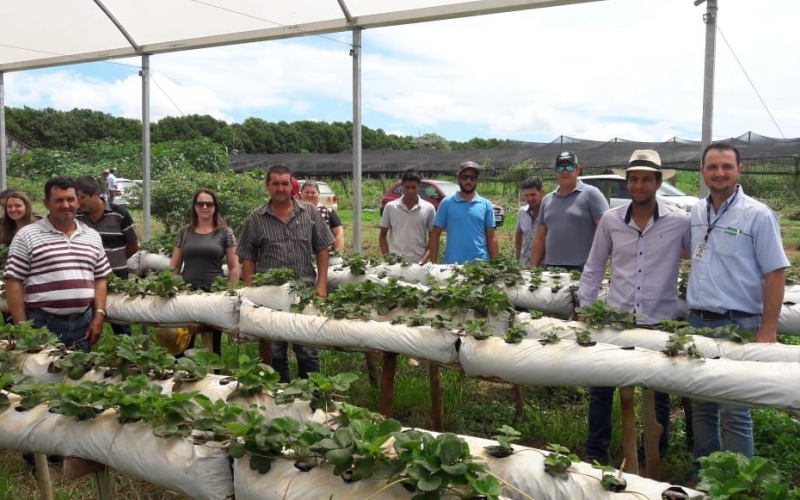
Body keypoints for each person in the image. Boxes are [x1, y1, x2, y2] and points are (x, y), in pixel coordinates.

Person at [579, 150, 691, 467]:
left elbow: (699, 257)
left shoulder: (679, 222)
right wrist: (586, 309)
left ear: (658, 183)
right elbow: (594, 266)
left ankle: (652, 455)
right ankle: (596, 452)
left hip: (659, 321)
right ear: (626, 183)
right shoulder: (612, 221)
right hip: (616, 319)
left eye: (646, 179)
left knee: (658, 392)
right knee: (602, 387)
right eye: (633, 179)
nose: (638, 185)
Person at [686, 142, 789, 470]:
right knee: (702, 406)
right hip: (698, 322)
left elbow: (775, 274)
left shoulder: (758, 214)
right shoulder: (696, 212)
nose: (720, 173)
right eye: (713, 167)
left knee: (735, 409)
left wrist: (768, 330)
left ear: (739, 170)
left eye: (727, 166)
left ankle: (738, 481)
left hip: (739, 324)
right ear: (702, 172)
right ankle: (707, 474)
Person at [237, 165, 334, 382]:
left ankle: (311, 395)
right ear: (267, 186)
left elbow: (322, 248)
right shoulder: (256, 218)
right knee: (275, 352)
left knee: (307, 350)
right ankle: (279, 395)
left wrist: (321, 286)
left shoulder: (309, 212)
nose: (280, 188)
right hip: (270, 297)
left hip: (304, 292)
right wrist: (252, 293)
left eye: (284, 183)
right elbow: (248, 257)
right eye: (275, 183)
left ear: (292, 185)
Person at [4, 177, 111, 353]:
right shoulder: (27, 235)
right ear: (46, 203)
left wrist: (99, 315)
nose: (66, 205)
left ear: (78, 202)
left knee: (79, 370)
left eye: (70, 199)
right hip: (42, 325)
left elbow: (100, 278)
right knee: (41, 371)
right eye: (59, 200)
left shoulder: (91, 236)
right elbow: (13, 281)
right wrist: (22, 328)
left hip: (82, 325)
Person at [169, 188, 239, 355]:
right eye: (200, 204)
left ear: (215, 207)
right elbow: (174, 266)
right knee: (183, 344)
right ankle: (184, 372)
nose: (205, 207)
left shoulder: (226, 233)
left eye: (209, 204)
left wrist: (231, 294)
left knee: (213, 346)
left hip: (214, 294)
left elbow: (234, 267)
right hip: (187, 293)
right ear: (194, 206)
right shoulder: (184, 232)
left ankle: (212, 371)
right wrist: (174, 288)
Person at [74, 176, 139, 336]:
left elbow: (133, 244)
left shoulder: (119, 214)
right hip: (87, 277)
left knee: (120, 321)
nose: (77, 202)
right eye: (76, 198)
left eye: (81, 197)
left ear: (96, 194)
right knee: (85, 320)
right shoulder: (77, 217)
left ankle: (126, 349)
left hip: (117, 276)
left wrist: (116, 261)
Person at [531, 152, 609, 271]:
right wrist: (532, 270)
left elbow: (606, 231)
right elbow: (540, 238)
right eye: (560, 168)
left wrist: (599, 264)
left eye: (569, 167)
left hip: (582, 269)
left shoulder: (591, 194)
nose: (565, 171)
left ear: (577, 169)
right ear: (555, 171)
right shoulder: (547, 200)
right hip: (551, 268)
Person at [428, 161, 499, 264]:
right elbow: (435, 234)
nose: (468, 181)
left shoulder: (486, 205)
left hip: (480, 266)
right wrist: (433, 264)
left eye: (472, 178)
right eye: (464, 177)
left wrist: (496, 264)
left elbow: (491, 237)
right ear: (458, 178)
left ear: (477, 180)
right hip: (452, 266)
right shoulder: (447, 203)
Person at [379, 169, 436, 263]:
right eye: (407, 187)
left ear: (419, 186)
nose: (410, 191)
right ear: (402, 186)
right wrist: (388, 258)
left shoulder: (428, 208)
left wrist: (423, 259)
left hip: (418, 263)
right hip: (395, 263)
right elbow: (382, 235)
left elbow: (433, 238)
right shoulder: (391, 207)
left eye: (414, 187)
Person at [300, 180, 345, 251]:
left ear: (318, 194)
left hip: (324, 254)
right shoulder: (293, 211)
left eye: (313, 192)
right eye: (307, 192)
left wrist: (338, 253)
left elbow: (338, 233)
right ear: (301, 194)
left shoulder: (328, 211)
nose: (310, 195)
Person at [514, 176, 545, 266]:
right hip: (524, 264)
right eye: (526, 195)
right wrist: (518, 260)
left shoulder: (549, 213)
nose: (530, 199)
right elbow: (518, 235)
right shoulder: (522, 212)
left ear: (542, 192)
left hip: (543, 266)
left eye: (533, 195)